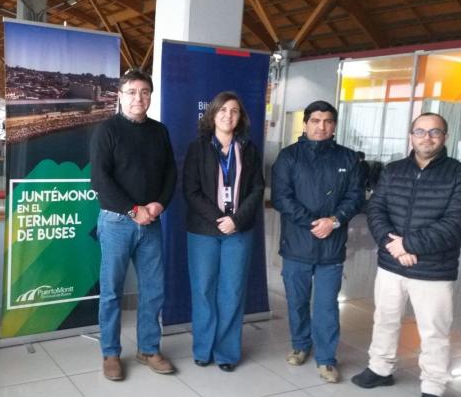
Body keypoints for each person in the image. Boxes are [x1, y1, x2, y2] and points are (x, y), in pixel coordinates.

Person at [351, 113, 461, 397]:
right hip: (391, 264)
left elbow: (458, 223)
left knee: (434, 331)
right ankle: (380, 368)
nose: (426, 137)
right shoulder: (393, 170)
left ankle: (433, 384)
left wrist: (409, 245)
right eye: (420, 131)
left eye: (434, 132)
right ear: (411, 135)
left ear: (445, 136)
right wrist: (391, 244)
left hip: (433, 268)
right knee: (385, 319)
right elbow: (376, 209)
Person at [90, 69, 177, 381]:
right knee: (112, 291)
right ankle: (111, 353)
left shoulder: (159, 131)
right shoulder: (107, 131)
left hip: (151, 223)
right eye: (131, 92)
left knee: (153, 290)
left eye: (144, 92)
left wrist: (158, 205)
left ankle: (149, 349)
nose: (138, 98)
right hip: (116, 223)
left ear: (150, 96)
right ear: (120, 95)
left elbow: (170, 174)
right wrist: (133, 209)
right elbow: (100, 179)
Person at [271, 100, 364, 383]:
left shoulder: (349, 159)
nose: (321, 126)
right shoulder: (288, 157)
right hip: (297, 243)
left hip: (331, 247)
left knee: (325, 305)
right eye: (315, 121)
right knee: (297, 301)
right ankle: (301, 345)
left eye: (327, 121)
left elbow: (356, 197)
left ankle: (326, 359)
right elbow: (281, 197)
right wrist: (313, 223)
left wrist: (333, 221)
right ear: (305, 124)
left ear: (334, 126)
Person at [182, 91, 264, 372]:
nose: (228, 115)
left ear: (240, 117)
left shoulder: (249, 149)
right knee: (203, 290)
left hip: (239, 231)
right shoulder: (198, 148)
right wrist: (220, 219)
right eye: (223, 110)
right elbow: (190, 191)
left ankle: (227, 353)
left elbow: (257, 189)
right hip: (204, 230)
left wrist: (236, 220)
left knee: (232, 291)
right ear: (213, 114)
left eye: (234, 111)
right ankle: (203, 349)